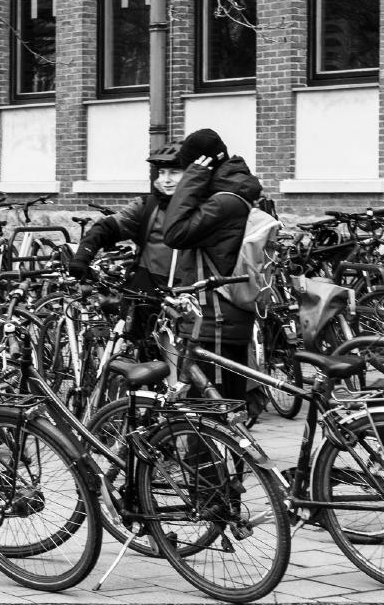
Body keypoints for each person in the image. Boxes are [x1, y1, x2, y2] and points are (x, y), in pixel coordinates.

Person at [67, 128, 263, 402]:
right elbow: (109, 227)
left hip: (195, 307)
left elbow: (179, 234)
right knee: (150, 364)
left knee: (188, 380)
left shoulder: (208, 204)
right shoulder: (148, 207)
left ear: (195, 172)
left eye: (175, 172)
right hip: (152, 297)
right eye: (161, 173)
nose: (167, 179)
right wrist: (83, 255)